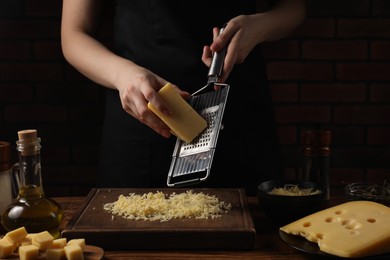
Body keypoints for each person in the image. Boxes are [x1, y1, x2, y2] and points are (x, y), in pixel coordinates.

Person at [61, 0, 306, 196]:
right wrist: (123, 75)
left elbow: (293, 7)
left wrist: (259, 26)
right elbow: (73, 33)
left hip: (239, 113)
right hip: (142, 119)